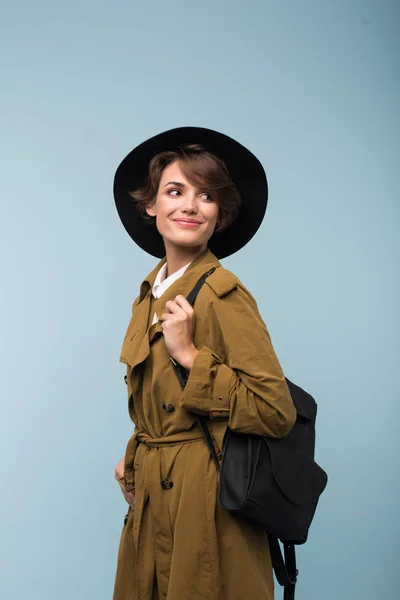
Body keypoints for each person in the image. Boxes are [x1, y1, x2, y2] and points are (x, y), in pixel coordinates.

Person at [112, 126, 296, 600]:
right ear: (150, 205)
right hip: (153, 503)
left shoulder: (221, 293)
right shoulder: (149, 295)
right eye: (175, 191)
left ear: (221, 214)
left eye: (207, 195)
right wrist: (135, 456)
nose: (191, 206)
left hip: (207, 506)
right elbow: (160, 403)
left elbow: (275, 410)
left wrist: (191, 357)